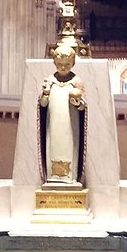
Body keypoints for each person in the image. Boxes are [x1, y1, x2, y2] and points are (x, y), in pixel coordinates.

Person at [39, 41, 86, 185]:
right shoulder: (50, 81)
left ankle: (70, 177)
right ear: (54, 63)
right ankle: (53, 177)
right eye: (60, 65)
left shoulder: (76, 81)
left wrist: (77, 103)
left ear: (72, 64)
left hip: (70, 124)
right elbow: (43, 104)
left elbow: (83, 107)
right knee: (53, 146)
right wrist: (45, 94)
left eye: (67, 65)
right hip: (53, 125)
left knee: (69, 147)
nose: (63, 68)